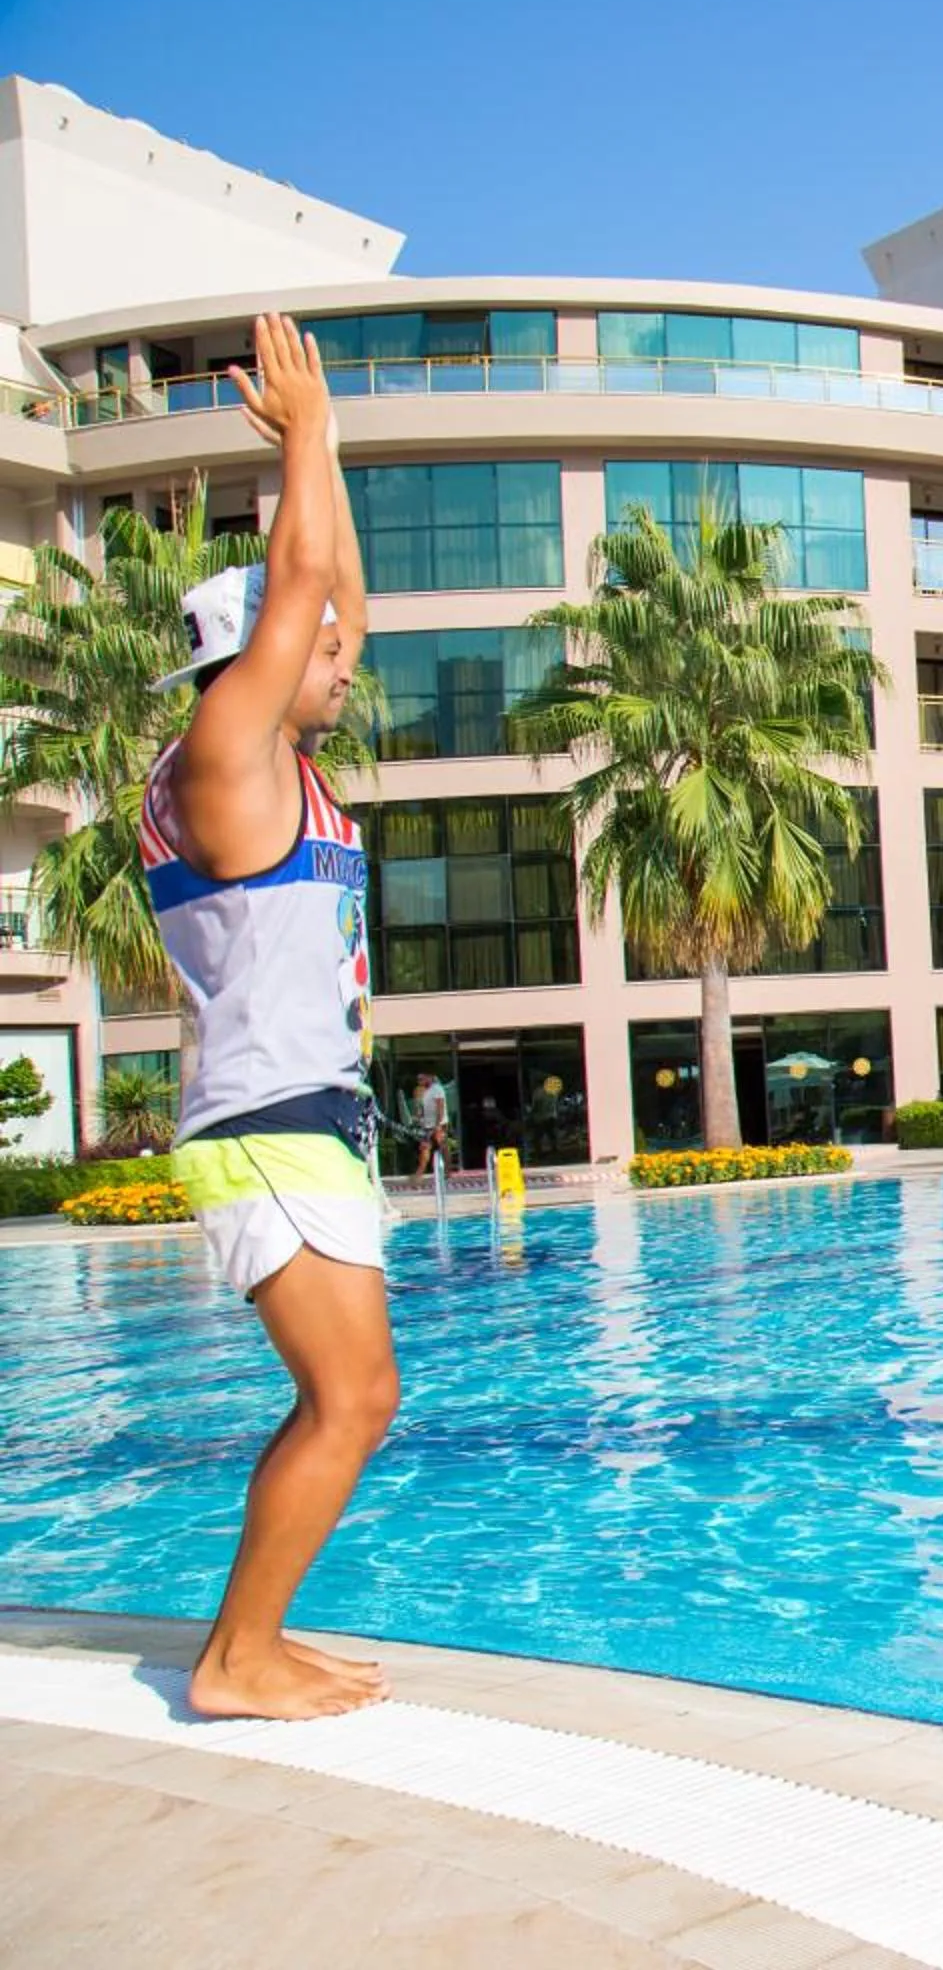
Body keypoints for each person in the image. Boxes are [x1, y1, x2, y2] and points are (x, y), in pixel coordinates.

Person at [143, 315, 390, 1720]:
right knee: (353, 1403)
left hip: (301, 1120)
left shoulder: (274, 749)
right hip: (266, 1124)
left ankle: (252, 1641)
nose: (346, 662)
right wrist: (299, 439)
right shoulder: (225, 753)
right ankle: (237, 1660)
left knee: (344, 1402)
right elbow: (304, 584)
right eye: (320, 650)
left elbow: (327, 585)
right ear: (256, 659)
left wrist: (328, 445)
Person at [410, 1071, 450, 1177]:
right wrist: (419, 1118)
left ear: (430, 1077)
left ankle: (447, 1171)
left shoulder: (437, 1089)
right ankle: (420, 1171)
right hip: (427, 1125)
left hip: (439, 1124)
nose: (420, 1081)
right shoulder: (424, 1091)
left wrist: (438, 1124)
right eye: (418, 1079)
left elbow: (440, 1107)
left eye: (422, 1079)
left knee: (442, 1146)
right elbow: (423, 1107)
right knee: (425, 1147)